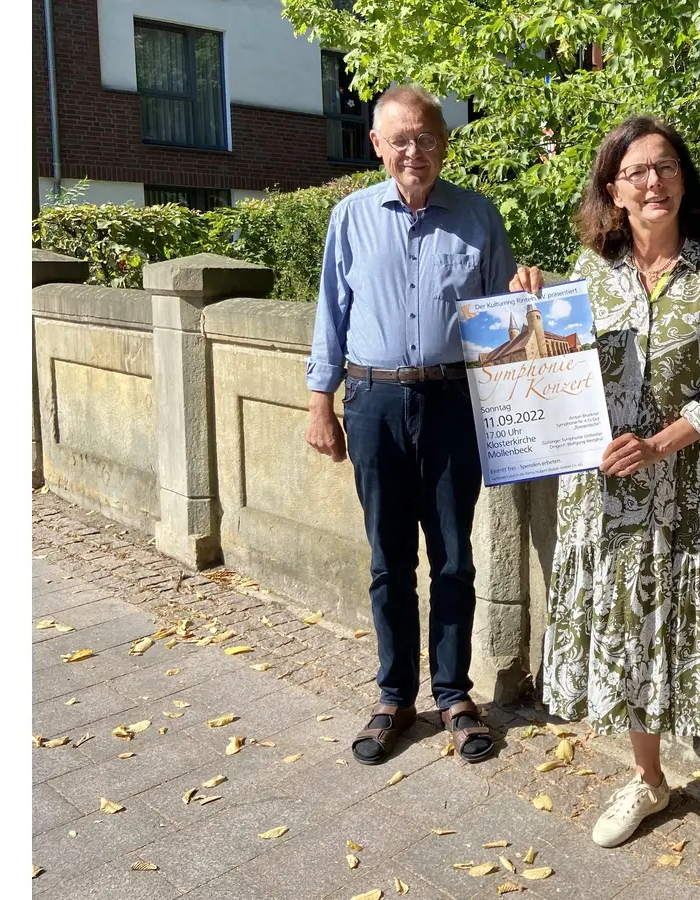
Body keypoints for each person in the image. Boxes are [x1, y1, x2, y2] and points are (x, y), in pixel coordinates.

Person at [508, 116, 700, 900]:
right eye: (635, 172)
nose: (653, 182)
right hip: (603, 499)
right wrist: (527, 303)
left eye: (665, 167)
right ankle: (648, 779)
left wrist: (662, 443)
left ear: (682, 180)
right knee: (628, 640)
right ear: (611, 190)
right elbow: (545, 371)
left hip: (690, 499)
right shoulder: (585, 275)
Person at [306, 84, 515, 765]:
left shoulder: (479, 217)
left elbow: (506, 328)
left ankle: (453, 694)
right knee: (388, 560)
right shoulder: (350, 217)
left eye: (425, 138)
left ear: (443, 142)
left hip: (456, 403)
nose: (413, 152)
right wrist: (320, 402)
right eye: (399, 140)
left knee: (454, 558)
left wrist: (526, 296)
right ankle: (393, 696)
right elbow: (330, 315)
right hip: (374, 405)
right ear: (377, 146)